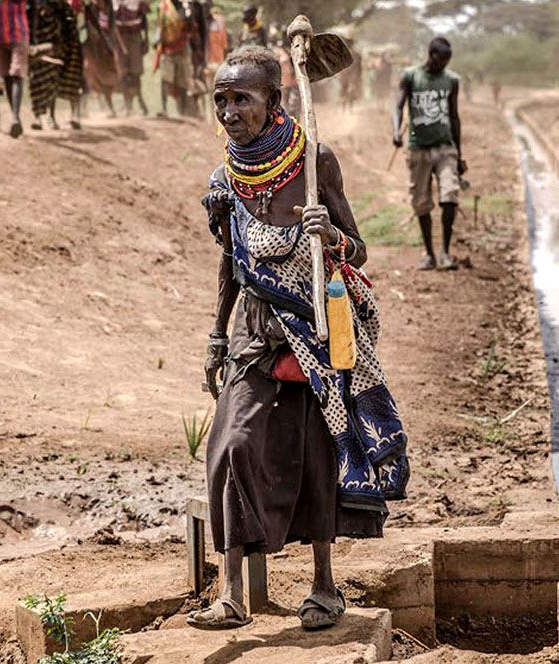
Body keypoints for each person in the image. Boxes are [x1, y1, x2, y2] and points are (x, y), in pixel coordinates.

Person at [193, 45, 408, 631]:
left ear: (276, 100)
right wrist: (217, 336)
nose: (230, 111)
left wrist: (330, 233)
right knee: (232, 449)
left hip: (313, 340)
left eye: (243, 99)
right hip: (254, 344)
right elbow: (231, 265)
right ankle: (231, 593)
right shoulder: (225, 180)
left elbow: (359, 250)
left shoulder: (317, 163)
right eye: (222, 99)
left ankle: (325, 586)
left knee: (316, 458)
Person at [392, 36, 464, 271]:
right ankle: (430, 255)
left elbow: (454, 116)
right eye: (440, 60)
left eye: (447, 61)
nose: (443, 65)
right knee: (421, 202)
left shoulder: (452, 81)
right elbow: (398, 105)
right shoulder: (411, 76)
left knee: (450, 195)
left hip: (445, 147)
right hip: (418, 148)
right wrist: (396, 131)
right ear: (431, 56)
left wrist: (459, 155)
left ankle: (445, 252)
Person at [28, 0, 83, 129]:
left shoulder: (62, 8)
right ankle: (39, 117)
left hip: (58, 45)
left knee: (59, 77)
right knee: (37, 81)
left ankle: (64, 115)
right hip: (35, 45)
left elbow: (69, 29)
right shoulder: (31, 7)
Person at [0, 0, 30, 137]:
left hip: (19, 33)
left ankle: (15, 117)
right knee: (7, 76)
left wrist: (35, 38)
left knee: (16, 73)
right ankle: (15, 116)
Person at [154, 0, 191, 116]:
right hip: (167, 49)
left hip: (182, 49)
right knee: (165, 78)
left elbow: (189, 26)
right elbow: (160, 26)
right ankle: (164, 108)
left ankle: (184, 111)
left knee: (182, 81)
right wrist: (157, 41)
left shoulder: (185, 8)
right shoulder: (164, 7)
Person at [83, 0, 119, 116]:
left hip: (106, 47)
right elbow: (89, 26)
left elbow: (112, 26)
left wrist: (109, 41)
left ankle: (110, 107)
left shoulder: (109, 7)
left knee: (107, 74)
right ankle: (83, 107)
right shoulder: (90, 8)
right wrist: (98, 39)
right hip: (92, 45)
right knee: (88, 72)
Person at [114, 0, 149, 115]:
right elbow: (111, 22)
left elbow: (144, 20)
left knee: (136, 71)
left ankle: (140, 101)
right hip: (120, 37)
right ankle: (127, 104)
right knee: (123, 72)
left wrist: (146, 39)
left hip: (135, 36)